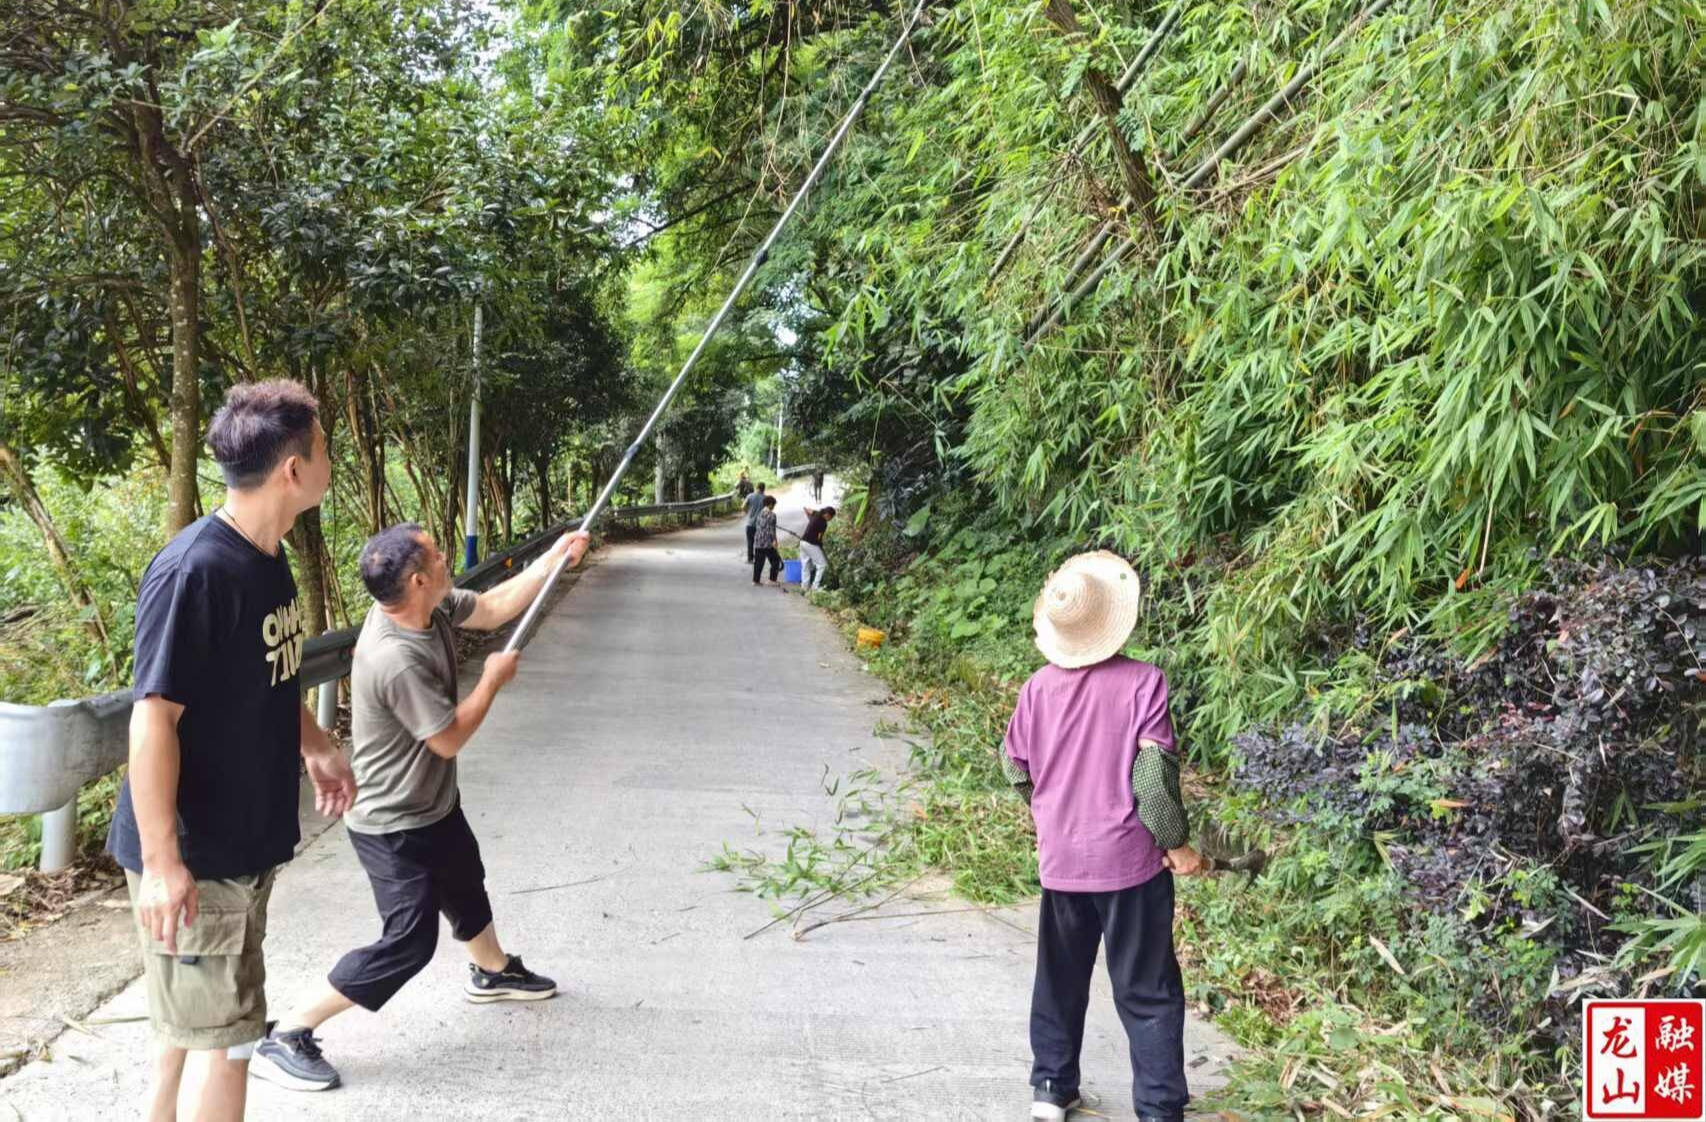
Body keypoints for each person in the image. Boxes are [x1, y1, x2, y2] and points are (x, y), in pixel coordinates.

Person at [249, 522, 591, 1092]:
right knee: (408, 941)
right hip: (392, 823)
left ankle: (491, 970)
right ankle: (288, 1031)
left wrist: (556, 555)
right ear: (417, 577)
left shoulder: (427, 608)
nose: (446, 557)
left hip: (432, 803)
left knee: (464, 878)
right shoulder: (395, 656)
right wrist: (493, 680)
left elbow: (492, 605)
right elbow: (449, 739)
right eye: (437, 554)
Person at [106, 379, 357, 1122]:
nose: (330, 459)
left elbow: (265, 673)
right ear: (293, 469)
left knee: (194, 1024)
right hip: (200, 853)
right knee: (232, 1039)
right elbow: (153, 719)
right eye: (324, 448)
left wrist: (311, 741)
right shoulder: (197, 572)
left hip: (242, 842)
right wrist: (162, 865)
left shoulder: (265, 554)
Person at [999, 551, 1204, 1122]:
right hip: (1129, 866)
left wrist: (1051, 813)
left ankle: (1050, 1088)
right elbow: (1152, 782)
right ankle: (1160, 1108)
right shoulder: (1144, 682)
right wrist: (1177, 846)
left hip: (1062, 859)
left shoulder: (1038, 687)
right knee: (1147, 988)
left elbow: (1015, 766)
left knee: (1059, 978)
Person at [797, 505, 835, 594]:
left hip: (803, 542)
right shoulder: (823, 523)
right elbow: (819, 538)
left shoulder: (817, 513)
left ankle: (804, 587)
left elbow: (808, 510)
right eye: (831, 517)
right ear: (827, 515)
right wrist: (820, 546)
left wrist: (807, 512)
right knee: (822, 564)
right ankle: (815, 587)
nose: (831, 519)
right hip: (811, 544)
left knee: (806, 566)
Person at [751, 494, 783, 587]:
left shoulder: (759, 513)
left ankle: (755, 581)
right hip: (767, 542)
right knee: (775, 560)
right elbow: (772, 530)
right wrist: (775, 541)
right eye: (773, 505)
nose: (773, 507)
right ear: (770, 504)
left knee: (758, 562)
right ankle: (772, 580)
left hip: (758, 540)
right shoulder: (772, 515)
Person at [742, 481, 767, 563]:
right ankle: (758, 558)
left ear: (757, 487)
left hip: (750, 524)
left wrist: (747, 512)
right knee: (759, 542)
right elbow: (767, 511)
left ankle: (750, 559)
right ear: (764, 489)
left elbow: (743, 506)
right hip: (761, 525)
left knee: (750, 542)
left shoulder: (750, 496)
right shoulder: (765, 498)